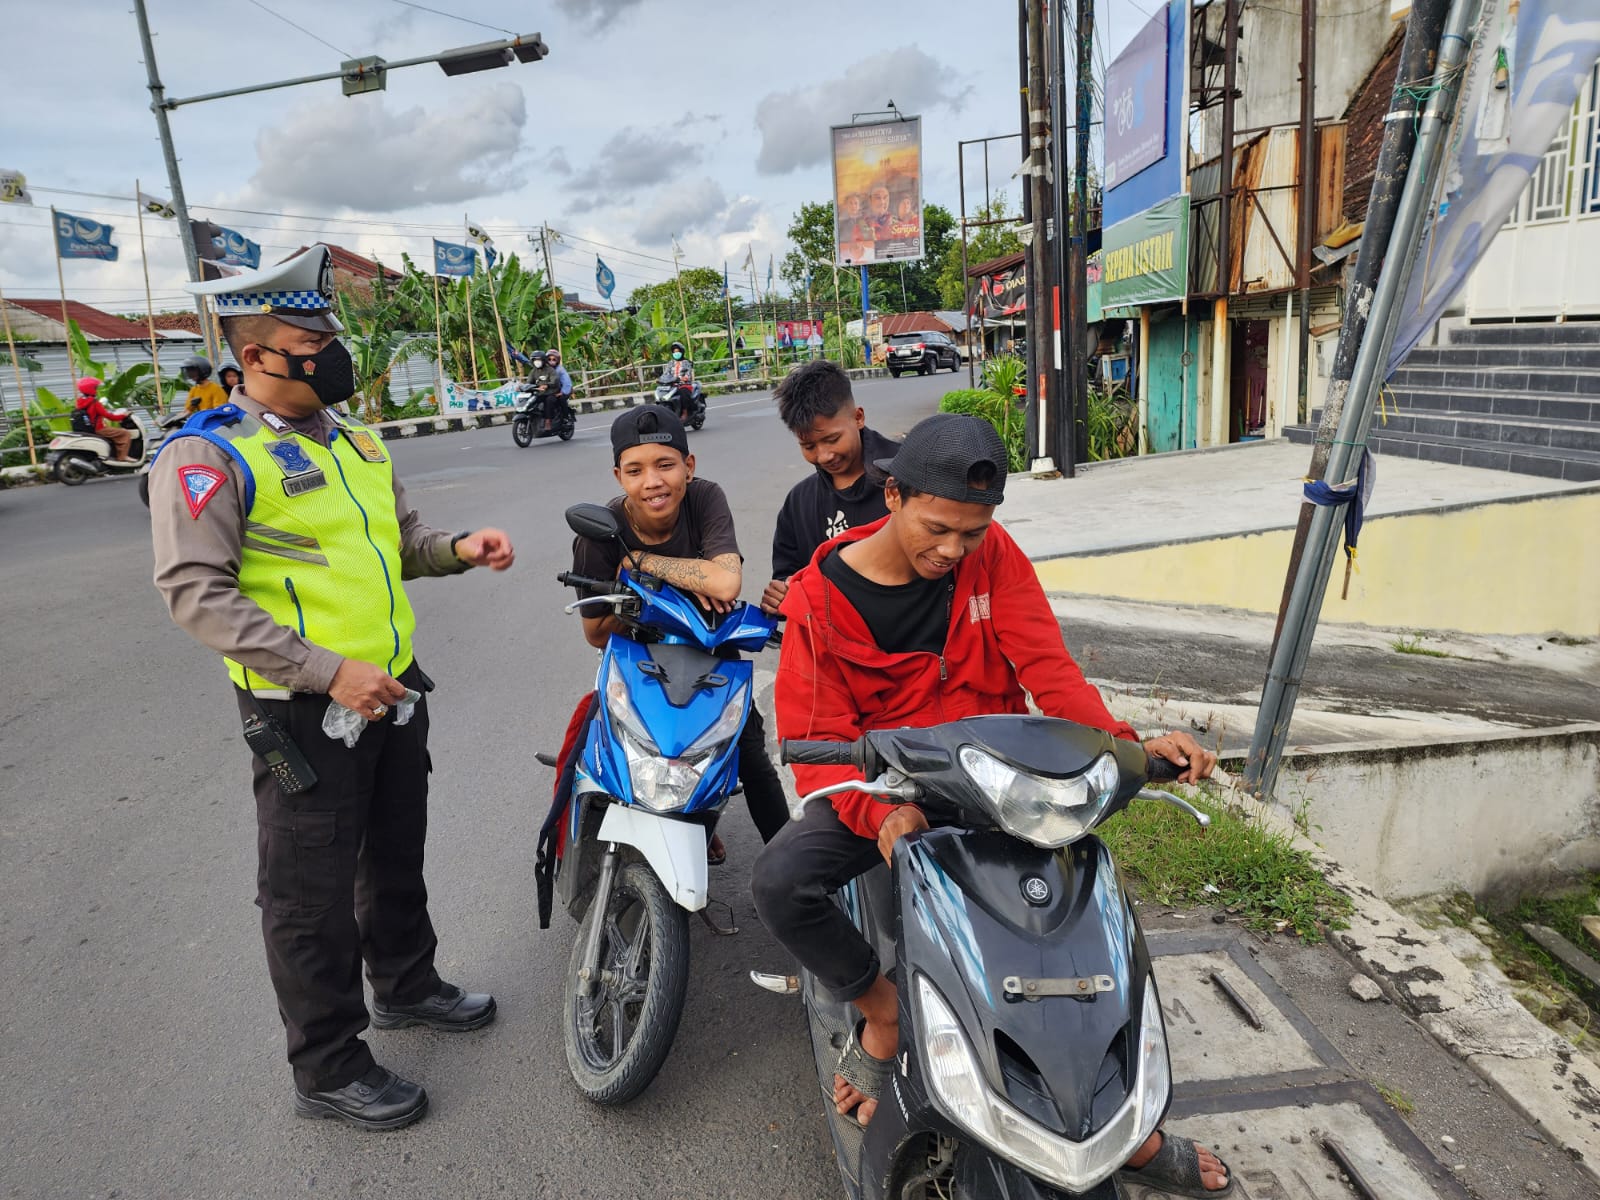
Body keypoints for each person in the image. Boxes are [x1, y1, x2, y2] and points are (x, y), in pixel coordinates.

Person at [751, 413, 1232, 1195]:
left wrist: (1122, 747)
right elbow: (818, 742)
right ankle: (881, 1009)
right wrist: (882, 812)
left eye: (971, 534)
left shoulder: (992, 557)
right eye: (938, 529)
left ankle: (1121, 1121)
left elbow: (1049, 667)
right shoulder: (817, 599)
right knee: (780, 883)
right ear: (894, 495)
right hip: (886, 789)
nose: (953, 550)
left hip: (998, 778)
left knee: (1074, 923)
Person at [148, 245, 516, 1133]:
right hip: (301, 710)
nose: (334, 355)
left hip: (390, 689)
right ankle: (327, 1065)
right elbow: (197, 594)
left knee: (393, 849)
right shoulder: (208, 455)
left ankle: (406, 985)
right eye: (313, 345)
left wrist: (458, 549)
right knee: (307, 893)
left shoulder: (356, 441)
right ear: (256, 356)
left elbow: (400, 543)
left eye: (329, 338)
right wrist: (327, 672)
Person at [567, 404, 789, 855]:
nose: (652, 481)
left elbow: (725, 583)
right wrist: (655, 596)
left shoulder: (705, 499)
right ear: (619, 477)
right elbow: (596, 633)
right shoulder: (599, 533)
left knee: (750, 757)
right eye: (635, 470)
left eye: (665, 465)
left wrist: (640, 563)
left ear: (688, 466)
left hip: (711, 656)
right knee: (614, 755)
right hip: (638, 662)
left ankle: (793, 868)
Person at [762, 359, 900, 616]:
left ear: (858, 417)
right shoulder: (799, 502)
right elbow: (787, 575)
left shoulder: (907, 475)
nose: (824, 456)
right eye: (809, 446)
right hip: (832, 637)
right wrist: (782, 594)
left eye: (832, 439)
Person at [73, 377, 133, 461]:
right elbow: (109, 416)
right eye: (95, 388)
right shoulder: (94, 403)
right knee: (125, 433)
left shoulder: (80, 402)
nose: (97, 390)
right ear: (91, 389)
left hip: (88, 428)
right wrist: (123, 415)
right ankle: (122, 457)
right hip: (99, 429)